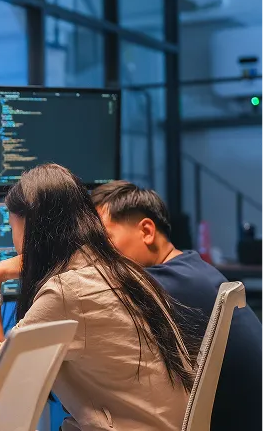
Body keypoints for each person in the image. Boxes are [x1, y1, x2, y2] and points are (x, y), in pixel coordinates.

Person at [0, 164, 197, 431]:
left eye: (12, 225)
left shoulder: (68, 292)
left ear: (30, 228)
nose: (13, 242)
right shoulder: (124, 271)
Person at [92, 180, 263, 430]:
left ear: (147, 231)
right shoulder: (190, 269)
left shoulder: (168, 283)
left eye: (103, 239)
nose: (95, 254)